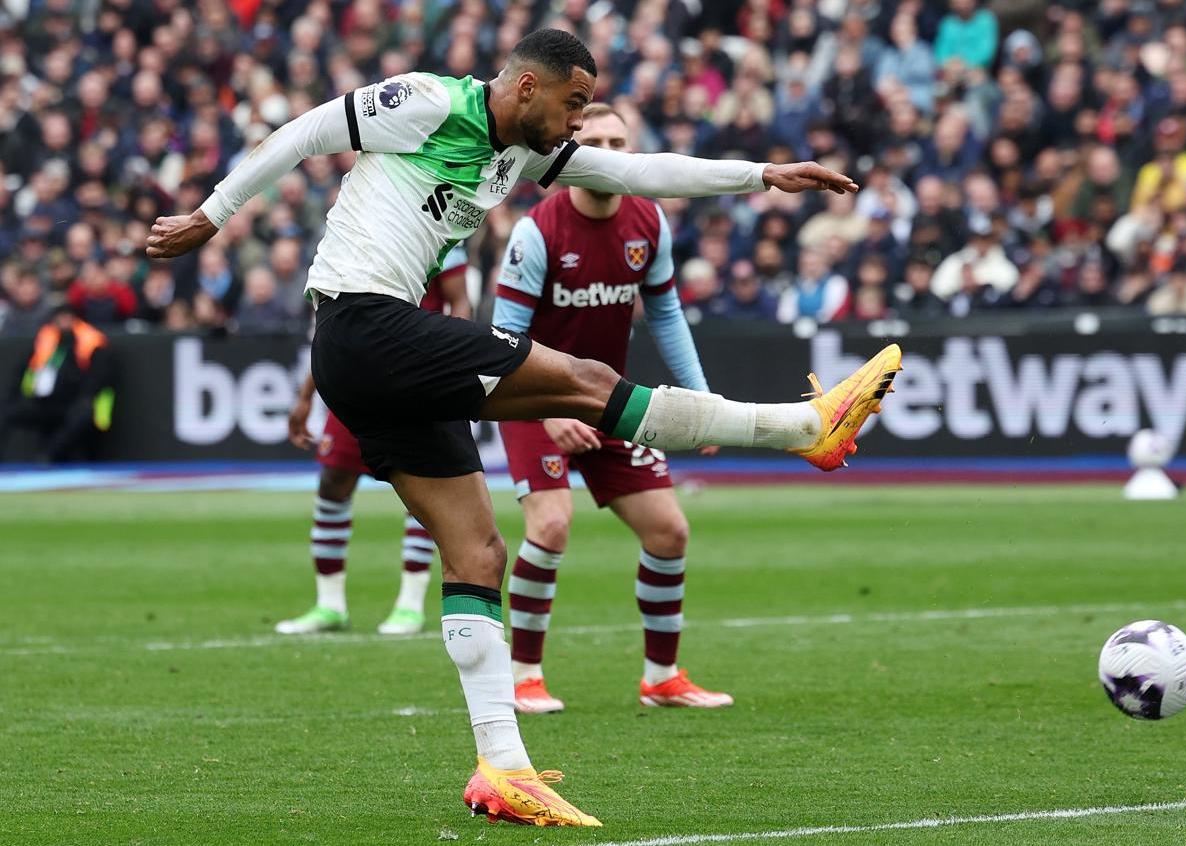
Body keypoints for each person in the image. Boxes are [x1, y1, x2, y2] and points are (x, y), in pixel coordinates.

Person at [144, 29, 902, 828]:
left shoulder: (520, 156)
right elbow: (304, 132)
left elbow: (637, 171)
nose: (579, 123)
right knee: (586, 383)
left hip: (367, 351)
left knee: (477, 552)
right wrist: (211, 213)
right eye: (574, 103)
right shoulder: (430, 102)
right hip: (366, 324)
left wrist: (760, 177)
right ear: (527, 87)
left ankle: (501, 769)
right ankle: (803, 428)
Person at [490, 104, 732, 714]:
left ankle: (661, 677)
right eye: (592, 139)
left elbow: (667, 314)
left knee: (669, 531)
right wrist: (547, 413)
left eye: (617, 140)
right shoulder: (537, 231)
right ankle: (523, 675)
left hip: (606, 398)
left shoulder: (649, 219)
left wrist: (701, 397)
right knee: (550, 525)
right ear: (572, 148)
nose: (606, 149)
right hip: (531, 399)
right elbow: (503, 340)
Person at [275, 248, 472, 636]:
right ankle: (329, 604)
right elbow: (330, 320)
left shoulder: (440, 232)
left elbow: (460, 299)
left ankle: (410, 604)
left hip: (415, 377)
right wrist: (305, 394)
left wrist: (448, 364)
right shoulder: (354, 237)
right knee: (333, 482)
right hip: (356, 374)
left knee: (421, 488)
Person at [1, 305, 113, 463]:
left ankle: (47, 456)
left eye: (68, 318)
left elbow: (99, 378)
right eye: (60, 318)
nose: (64, 322)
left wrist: (83, 398)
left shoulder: (91, 341)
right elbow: (25, 369)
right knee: (7, 411)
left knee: (81, 415)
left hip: (75, 403)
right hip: (44, 402)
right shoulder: (46, 339)